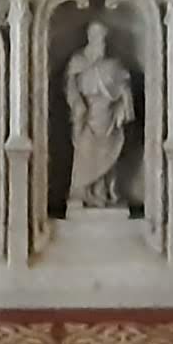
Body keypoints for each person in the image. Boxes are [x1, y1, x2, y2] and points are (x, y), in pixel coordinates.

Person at [64, 24, 136, 210]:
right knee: (85, 152)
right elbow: (71, 88)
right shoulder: (78, 62)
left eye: (103, 38)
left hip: (108, 117)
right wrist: (78, 106)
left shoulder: (113, 65)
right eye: (97, 37)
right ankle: (84, 192)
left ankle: (103, 192)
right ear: (89, 38)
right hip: (88, 116)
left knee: (108, 155)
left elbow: (124, 89)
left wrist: (122, 107)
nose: (101, 42)